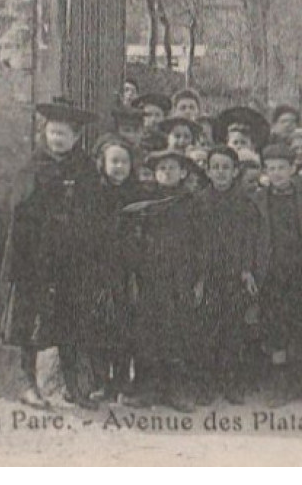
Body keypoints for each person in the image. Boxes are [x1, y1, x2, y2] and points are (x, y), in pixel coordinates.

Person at [0, 98, 98, 408]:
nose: (57, 139)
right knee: (28, 322)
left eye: (64, 134)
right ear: (44, 133)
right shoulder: (33, 168)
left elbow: (94, 212)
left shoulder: (86, 169)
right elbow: (16, 213)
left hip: (71, 261)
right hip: (35, 262)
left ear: (76, 138)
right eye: (53, 133)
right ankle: (27, 382)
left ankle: (74, 385)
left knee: (72, 321)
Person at [120, 149, 209, 412]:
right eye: (161, 169)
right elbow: (134, 242)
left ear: (183, 173)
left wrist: (199, 279)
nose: (167, 173)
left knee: (178, 332)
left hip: (181, 279)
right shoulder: (145, 206)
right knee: (147, 333)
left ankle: (177, 390)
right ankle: (148, 388)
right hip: (150, 278)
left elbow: (202, 244)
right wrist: (135, 273)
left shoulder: (193, 205)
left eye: (172, 168)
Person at [255, 143, 302, 407]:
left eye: (282, 168)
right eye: (271, 168)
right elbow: (254, 240)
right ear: (265, 170)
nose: (276, 173)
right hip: (272, 273)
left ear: (293, 169)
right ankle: (280, 386)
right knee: (276, 329)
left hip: (300, 272)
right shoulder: (259, 199)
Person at [201, 145, 265, 404]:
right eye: (215, 167)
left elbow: (250, 240)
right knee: (207, 329)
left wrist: (247, 269)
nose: (220, 173)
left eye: (226, 167)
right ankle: (207, 383)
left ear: (235, 171)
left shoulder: (245, 205)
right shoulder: (199, 202)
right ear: (207, 171)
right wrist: (199, 275)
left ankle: (230, 383)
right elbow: (194, 241)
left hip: (234, 274)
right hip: (208, 275)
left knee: (232, 330)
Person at [88, 136, 141, 402]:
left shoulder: (137, 194)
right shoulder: (94, 194)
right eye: (114, 162)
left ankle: (122, 380)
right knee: (100, 324)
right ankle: (102, 381)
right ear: (103, 164)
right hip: (101, 270)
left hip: (128, 269)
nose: (119, 167)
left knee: (125, 325)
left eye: (124, 162)